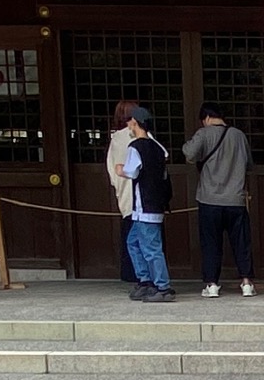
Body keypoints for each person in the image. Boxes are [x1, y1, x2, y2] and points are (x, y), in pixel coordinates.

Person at [179, 104, 255, 297]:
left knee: (211, 243)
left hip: (209, 199)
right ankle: (246, 282)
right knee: (241, 242)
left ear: (205, 118)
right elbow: (249, 164)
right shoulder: (239, 135)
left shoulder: (203, 134)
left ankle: (212, 284)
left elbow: (189, 153)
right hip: (235, 199)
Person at [115, 106, 175, 300]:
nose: (128, 126)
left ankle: (162, 287)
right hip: (156, 204)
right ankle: (146, 280)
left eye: (129, 122)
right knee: (133, 242)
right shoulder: (158, 147)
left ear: (135, 122)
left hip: (144, 206)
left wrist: (120, 170)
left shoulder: (135, 147)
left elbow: (132, 171)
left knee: (151, 248)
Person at [104, 97, 142, 284]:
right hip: (142, 194)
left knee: (130, 235)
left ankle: (131, 274)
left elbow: (112, 169)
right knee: (145, 237)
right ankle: (145, 276)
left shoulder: (116, 139)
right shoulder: (138, 135)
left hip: (126, 194)